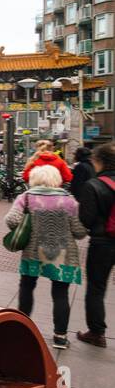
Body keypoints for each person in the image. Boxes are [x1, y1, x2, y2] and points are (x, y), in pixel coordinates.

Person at [6, 164, 87, 349]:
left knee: (27, 287)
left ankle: (22, 328)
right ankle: (60, 336)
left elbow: (11, 220)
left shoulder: (25, 197)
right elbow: (80, 231)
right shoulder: (69, 201)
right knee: (60, 293)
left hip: (33, 252)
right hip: (63, 254)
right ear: (56, 179)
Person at [76, 142, 115, 349]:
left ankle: (97, 333)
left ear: (98, 161)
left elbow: (86, 220)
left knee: (96, 288)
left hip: (102, 244)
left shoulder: (94, 185)